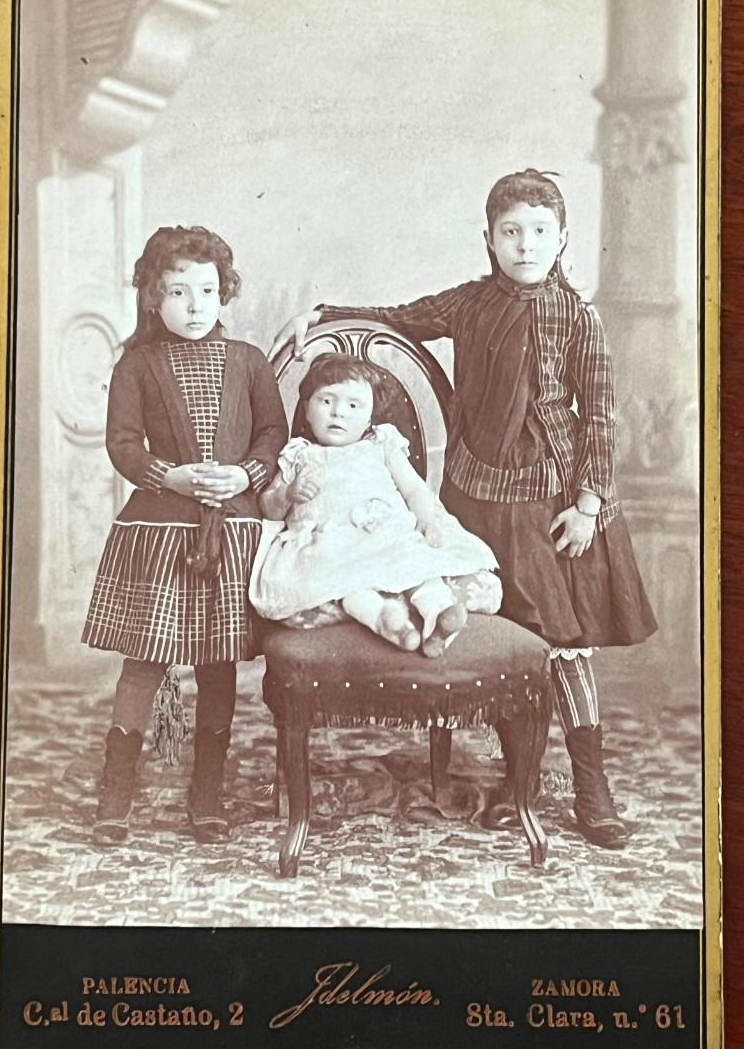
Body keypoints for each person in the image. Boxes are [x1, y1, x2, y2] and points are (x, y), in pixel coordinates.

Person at [269, 168, 657, 849]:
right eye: (511, 232)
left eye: (540, 232)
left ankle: (592, 791)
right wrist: (323, 316)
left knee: (560, 646)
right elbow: (395, 320)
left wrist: (590, 503)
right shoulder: (470, 304)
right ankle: (519, 784)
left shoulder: (581, 320)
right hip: (473, 499)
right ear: (489, 239)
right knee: (500, 633)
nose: (525, 245)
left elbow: (600, 417)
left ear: (562, 239)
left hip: (550, 504)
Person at [83, 225, 287, 845]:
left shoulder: (248, 361)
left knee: (217, 663)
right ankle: (117, 791)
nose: (195, 306)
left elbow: (272, 434)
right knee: (144, 661)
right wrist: (169, 474)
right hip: (160, 533)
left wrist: (243, 474)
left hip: (228, 533)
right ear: (153, 298)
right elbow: (121, 443)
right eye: (178, 292)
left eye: (207, 290)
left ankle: (207, 793)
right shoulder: (138, 365)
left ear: (224, 293)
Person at [250, 352, 502, 656]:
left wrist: (426, 519)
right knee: (344, 580)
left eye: (353, 405)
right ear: (306, 410)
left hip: (385, 530)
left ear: (369, 419)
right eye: (326, 401)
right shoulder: (299, 454)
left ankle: (438, 616)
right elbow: (269, 508)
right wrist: (288, 494)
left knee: (417, 563)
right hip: (329, 542)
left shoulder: (381, 444)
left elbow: (413, 489)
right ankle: (387, 621)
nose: (338, 413)